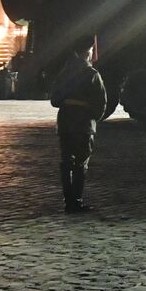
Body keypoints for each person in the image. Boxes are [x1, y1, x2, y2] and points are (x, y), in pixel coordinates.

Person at [49, 35, 106, 214]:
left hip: (65, 120)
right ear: (88, 52)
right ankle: (77, 200)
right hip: (83, 123)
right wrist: (93, 117)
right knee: (81, 163)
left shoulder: (64, 74)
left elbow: (55, 100)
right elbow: (101, 102)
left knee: (66, 162)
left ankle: (68, 201)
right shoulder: (92, 75)